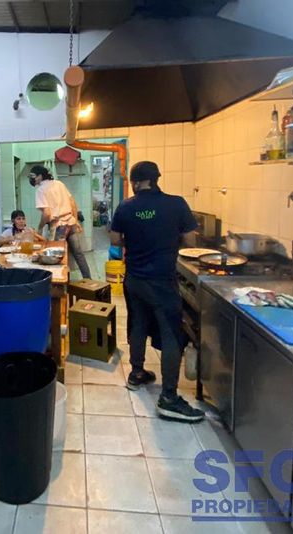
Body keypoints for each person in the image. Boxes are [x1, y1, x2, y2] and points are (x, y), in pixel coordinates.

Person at [109, 161, 204, 423]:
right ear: (156, 179)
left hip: (135, 279)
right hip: (162, 281)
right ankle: (169, 398)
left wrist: (136, 240)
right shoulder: (176, 204)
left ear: (137, 182)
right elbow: (190, 241)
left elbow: (115, 240)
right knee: (172, 333)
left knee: (138, 324)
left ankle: (137, 373)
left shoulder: (126, 206)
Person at [28, 165, 92, 279]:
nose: (32, 179)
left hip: (58, 226)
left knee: (56, 258)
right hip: (70, 222)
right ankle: (88, 280)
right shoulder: (59, 184)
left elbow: (47, 214)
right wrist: (76, 220)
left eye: (34, 176)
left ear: (40, 176)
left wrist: (40, 227)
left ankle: (60, 283)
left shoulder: (41, 190)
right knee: (78, 254)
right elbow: (72, 202)